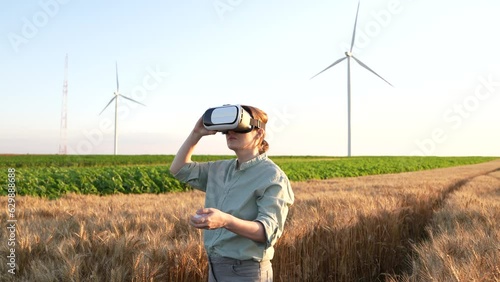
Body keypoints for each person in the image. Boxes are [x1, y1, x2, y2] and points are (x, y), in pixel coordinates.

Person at [169, 105, 294, 282]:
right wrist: (196, 133)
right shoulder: (221, 168)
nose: (230, 133)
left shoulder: (272, 177)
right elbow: (179, 169)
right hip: (214, 267)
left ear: (259, 134)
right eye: (227, 130)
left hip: (247, 272)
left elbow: (267, 232)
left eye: (239, 128)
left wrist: (225, 220)